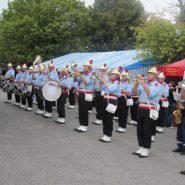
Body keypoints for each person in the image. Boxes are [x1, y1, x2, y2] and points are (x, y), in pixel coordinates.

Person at [132, 67, 160, 158]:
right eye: (148, 73)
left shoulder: (157, 85)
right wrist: (136, 84)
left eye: (151, 74)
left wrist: (143, 84)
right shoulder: (145, 84)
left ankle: (146, 148)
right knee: (139, 129)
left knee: (147, 130)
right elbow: (135, 93)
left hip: (149, 109)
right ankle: (141, 146)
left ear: (155, 75)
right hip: (140, 108)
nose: (148, 75)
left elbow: (150, 94)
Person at [99, 68, 121, 142]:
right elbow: (101, 88)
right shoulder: (109, 82)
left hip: (112, 100)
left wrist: (105, 82)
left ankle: (108, 135)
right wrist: (101, 82)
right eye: (111, 74)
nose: (111, 75)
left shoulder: (117, 83)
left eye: (113, 74)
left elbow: (111, 90)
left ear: (116, 76)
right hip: (105, 99)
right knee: (104, 118)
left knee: (109, 118)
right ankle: (105, 134)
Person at [74, 60, 94, 133]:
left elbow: (86, 82)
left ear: (89, 67)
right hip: (81, 93)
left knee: (85, 110)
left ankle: (84, 126)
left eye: (85, 66)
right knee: (80, 110)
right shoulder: (83, 74)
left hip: (86, 93)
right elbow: (78, 82)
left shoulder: (91, 75)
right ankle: (81, 124)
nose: (83, 67)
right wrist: (75, 76)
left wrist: (79, 75)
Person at [116, 69, 132, 133]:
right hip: (119, 97)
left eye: (124, 76)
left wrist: (120, 89)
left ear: (127, 76)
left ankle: (123, 127)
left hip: (125, 98)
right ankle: (120, 126)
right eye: (122, 76)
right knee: (119, 112)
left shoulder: (128, 83)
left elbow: (128, 92)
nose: (123, 77)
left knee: (124, 113)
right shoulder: (120, 82)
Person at [173, 88, 185, 155]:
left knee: (184, 132)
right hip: (181, 114)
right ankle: (180, 146)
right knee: (179, 131)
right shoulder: (183, 90)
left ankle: (184, 147)